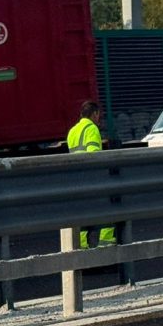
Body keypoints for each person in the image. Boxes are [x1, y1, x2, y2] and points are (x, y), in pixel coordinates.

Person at [66, 100, 116, 247]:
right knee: (110, 207)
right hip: (91, 178)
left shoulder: (72, 131)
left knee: (83, 213)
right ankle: (106, 244)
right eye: (98, 115)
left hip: (77, 179)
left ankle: (82, 246)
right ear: (94, 114)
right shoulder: (92, 129)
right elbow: (94, 155)